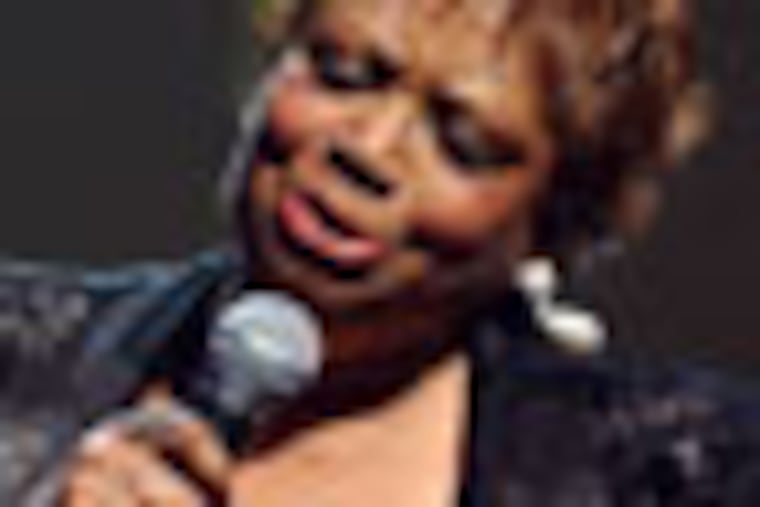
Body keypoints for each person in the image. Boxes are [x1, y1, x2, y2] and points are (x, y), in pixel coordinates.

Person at [3, 0, 759, 505]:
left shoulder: (675, 471)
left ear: (560, 216)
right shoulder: (17, 355)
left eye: (463, 144)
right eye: (341, 74)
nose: (367, 149)